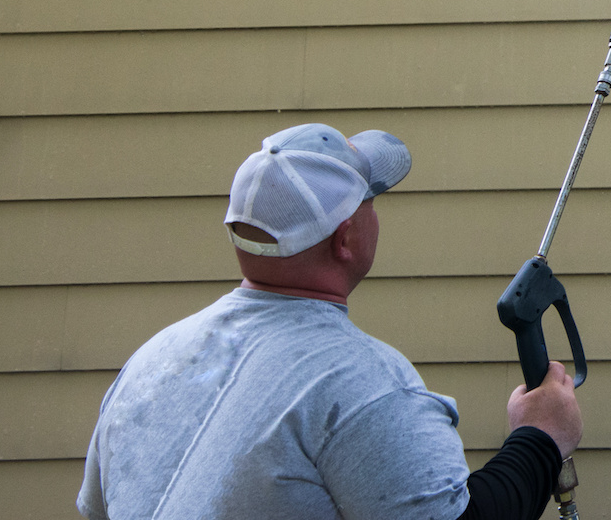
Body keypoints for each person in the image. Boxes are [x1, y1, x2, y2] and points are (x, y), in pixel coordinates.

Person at [78, 123, 582, 520]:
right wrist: (540, 437)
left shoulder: (149, 362)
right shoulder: (362, 384)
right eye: (369, 199)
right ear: (345, 239)